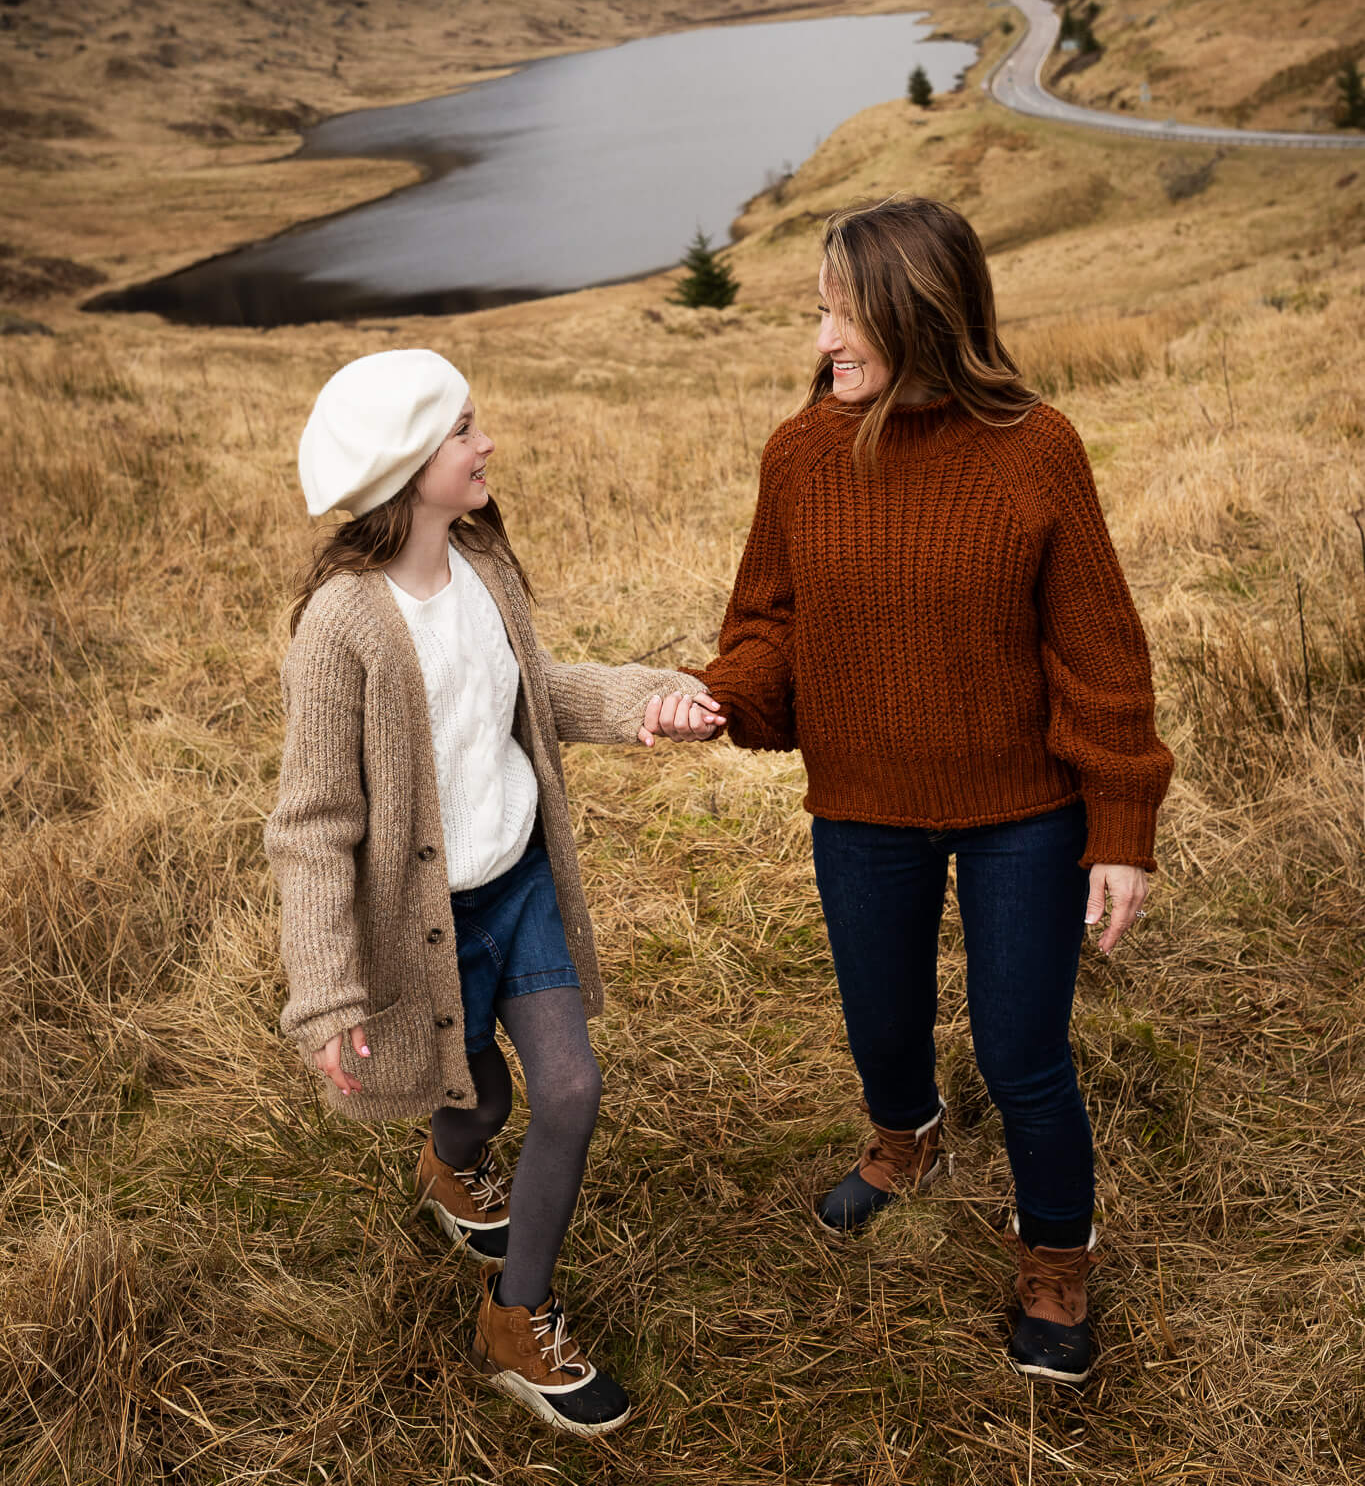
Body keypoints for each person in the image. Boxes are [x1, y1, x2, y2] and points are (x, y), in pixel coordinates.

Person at [700, 197, 1172, 1384]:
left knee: (1023, 1053)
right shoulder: (801, 454)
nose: (822, 340)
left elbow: (1101, 654)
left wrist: (1121, 825)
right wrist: (720, 695)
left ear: (917, 312)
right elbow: (768, 624)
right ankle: (903, 1137)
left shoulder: (1034, 448)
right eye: (818, 313)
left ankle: (1055, 1259)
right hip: (862, 806)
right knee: (880, 1019)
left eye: (840, 315)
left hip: (1025, 812)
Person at [265, 349, 721, 1439]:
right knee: (480, 1102)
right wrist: (325, 994)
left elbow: (536, 689)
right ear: (406, 463)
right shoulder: (341, 626)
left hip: (519, 884)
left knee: (569, 1088)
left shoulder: (482, 564)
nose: (487, 444)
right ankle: (451, 1164)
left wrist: (647, 698)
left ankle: (515, 1318)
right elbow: (312, 823)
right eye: (464, 429)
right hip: (424, 925)